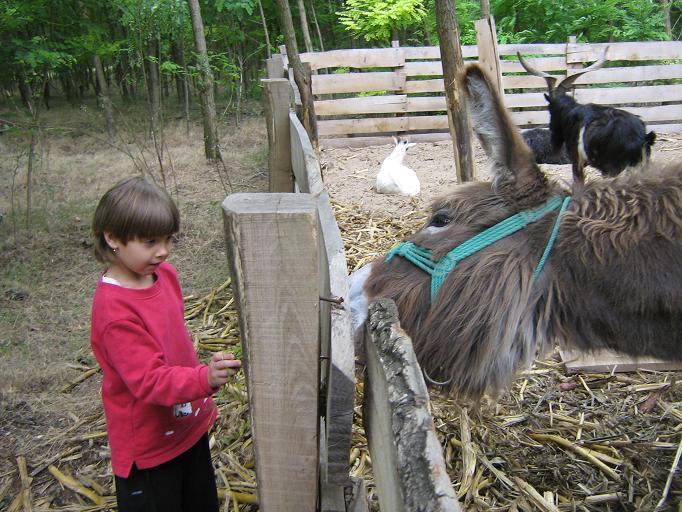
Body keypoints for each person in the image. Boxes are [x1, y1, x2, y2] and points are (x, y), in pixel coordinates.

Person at [90, 176, 241, 511]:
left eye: (168, 239)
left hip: (186, 424)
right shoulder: (115, 312)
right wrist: (203, 379)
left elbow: (173, 342)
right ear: (112, 237)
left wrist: (201, 375)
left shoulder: (164, 274)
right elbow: (148, 380)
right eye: (150, 242)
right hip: (149, 449)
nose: (163, 251)